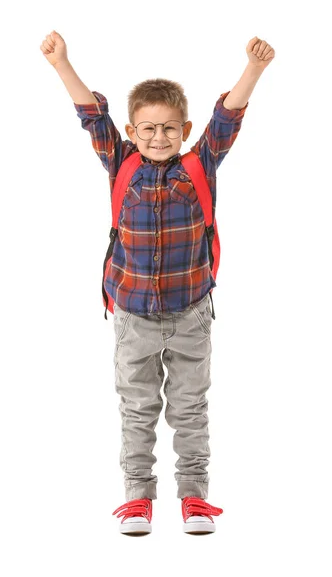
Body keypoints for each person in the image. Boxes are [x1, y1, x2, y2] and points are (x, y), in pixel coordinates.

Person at [40, 30, 275, 536]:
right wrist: (62, 64)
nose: (158, 137)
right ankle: (137, 498)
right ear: (132, 129)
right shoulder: (120, 162)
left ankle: (194, 498)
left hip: (190, 313)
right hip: (132, 316)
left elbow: (226, 121)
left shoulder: (200, 164)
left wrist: (252, 69)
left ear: (185, 128)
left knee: (191, 408)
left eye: (169, 128)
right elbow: (91, 117)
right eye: (147, 128)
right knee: (139, 408)